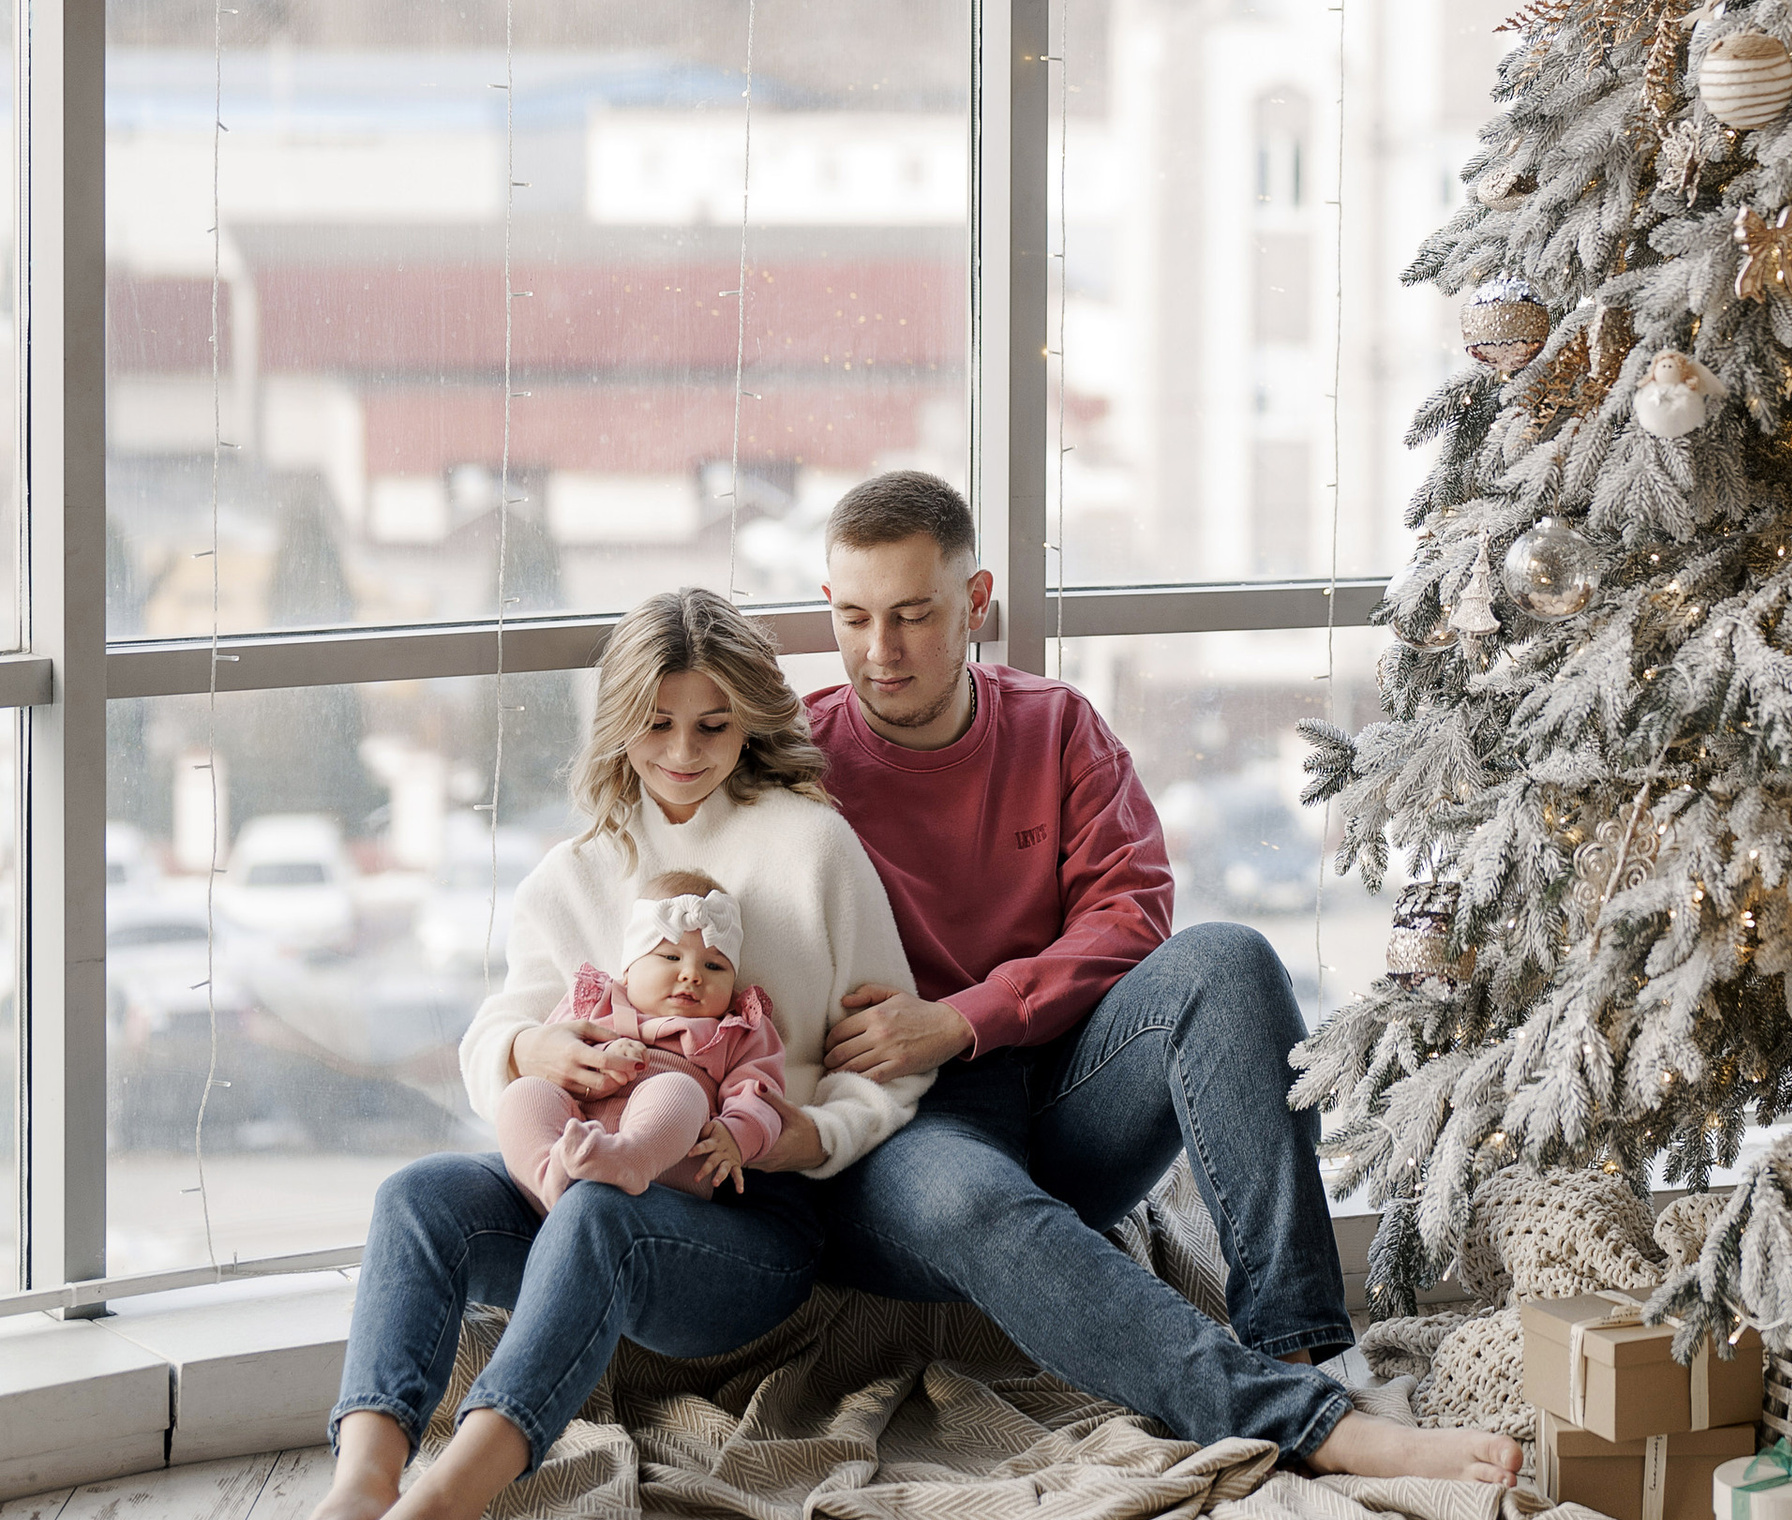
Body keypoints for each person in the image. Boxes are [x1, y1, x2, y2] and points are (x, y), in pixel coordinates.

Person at [790, 469, 1522, 1488]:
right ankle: (1308, 1425)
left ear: (976, 600)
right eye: (856, 618)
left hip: (1064, 1099)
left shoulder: (1055, 725)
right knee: (967, 1197)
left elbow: (1131, 916)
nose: (882, 651)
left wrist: (962, 1019)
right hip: (905, 1129)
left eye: (913, 614)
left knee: (1227, 958)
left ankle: (1307, 1354)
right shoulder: (797, 763)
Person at [314, 590, 930, 1520]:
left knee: (599, 1210)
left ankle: (448, 1497)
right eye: (656, 723)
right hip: (572, 1177)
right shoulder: (573, 871)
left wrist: (805, 1135)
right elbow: (494, 1036)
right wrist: (534, 1046)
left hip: (745, 1219)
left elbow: (890, 1061)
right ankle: (361, 1484)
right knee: (417, 1197)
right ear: (617, 722)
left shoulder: (814, 848)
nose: (683, 752)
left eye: (712, 725)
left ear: (749, 720)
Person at [493, 868, 786, 1206]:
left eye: (714, 966)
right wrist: (603, 1053)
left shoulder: (736, 1028)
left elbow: (760, 1090)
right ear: (629, 970)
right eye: (671, 957)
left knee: (680, 1088)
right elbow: (556, 1054)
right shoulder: (596, 1002)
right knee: (525, 1092)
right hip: (576, 1136)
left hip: (669, 1165)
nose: (691, 975)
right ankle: (550, 1179)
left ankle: (629, 1160)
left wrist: (737, 1133)